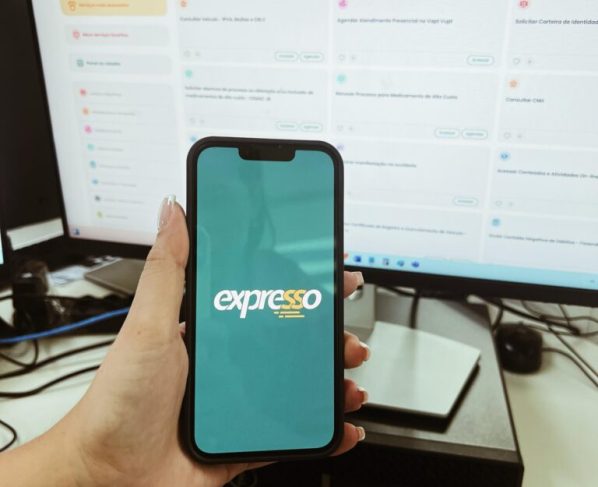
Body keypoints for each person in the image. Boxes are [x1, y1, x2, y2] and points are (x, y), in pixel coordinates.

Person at [0, 197, 370, 486]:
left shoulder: (287, 277)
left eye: (233, 209)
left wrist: (90, 465)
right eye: (216, 206)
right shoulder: (208, 293)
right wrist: (93, 464)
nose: (221, 224)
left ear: (256, 218)